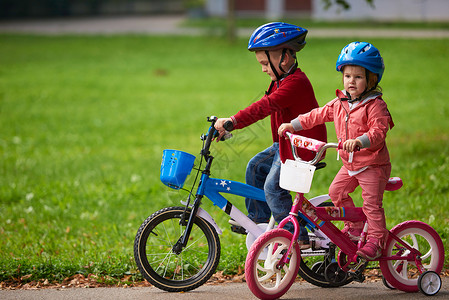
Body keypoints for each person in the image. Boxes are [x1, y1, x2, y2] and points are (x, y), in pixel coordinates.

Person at [214, 22, 327, 249]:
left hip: (302, 148)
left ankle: (294, 234)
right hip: (284, 145)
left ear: (284, 58)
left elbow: (265, 106)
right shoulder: (281, 80)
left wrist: (233, 122)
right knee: (255, 168)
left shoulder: (296, 83)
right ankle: (261, 222)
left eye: (265, 63)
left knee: (273, 187)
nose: (263, 68)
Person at [278, 41, 394, 259]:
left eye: (358, 77)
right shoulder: (340, 103)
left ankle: (377, 241)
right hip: (350, 164)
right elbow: (317, 115)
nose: (351, 81)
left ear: (372, 79)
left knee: (371, 205)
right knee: (336, 193)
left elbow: (379, 131)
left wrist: (360, 141)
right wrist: (293, 125)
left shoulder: (375, 105)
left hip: (373, 165)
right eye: (348, 76)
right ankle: (355, 227)